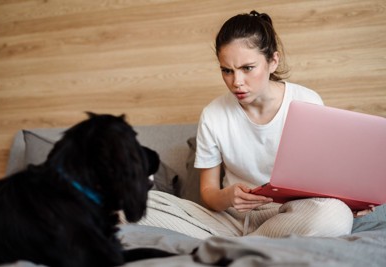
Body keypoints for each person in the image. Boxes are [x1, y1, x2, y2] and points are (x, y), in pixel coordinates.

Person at [122, 10, 374, 239]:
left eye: (247, 68)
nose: (236, 82)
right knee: (137, 204)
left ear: (273, 61)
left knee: (334, 215)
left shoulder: (306, 101)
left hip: (290, 213)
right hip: (231, 219)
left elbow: (324, 177)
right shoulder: (213, 114)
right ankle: (255, 244)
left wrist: (353, 201)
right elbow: (209, 194)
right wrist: (227, 196)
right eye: (227, 71)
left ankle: (237, 245)